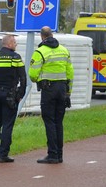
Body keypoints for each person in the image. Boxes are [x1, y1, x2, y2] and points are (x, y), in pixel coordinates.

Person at [30, 27, 74, 164]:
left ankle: (52, 154)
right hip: (62, 89)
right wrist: (68, 93)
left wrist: (38, 79)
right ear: (52, 35)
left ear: (42, 37)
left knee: (49, 121)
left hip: (48, 90)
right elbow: (70, 74)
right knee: (58, 122)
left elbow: (32, 74)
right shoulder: (64, 50)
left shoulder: (40, 52)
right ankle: (60, 155)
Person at [0, 34, 27, 163]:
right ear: (9, 43)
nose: (16, 44)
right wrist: (20, 95)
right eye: (14, 42)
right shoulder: (15, 57)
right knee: (7, 124)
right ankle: (4, 154)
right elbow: (23, 78)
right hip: (9, 95)